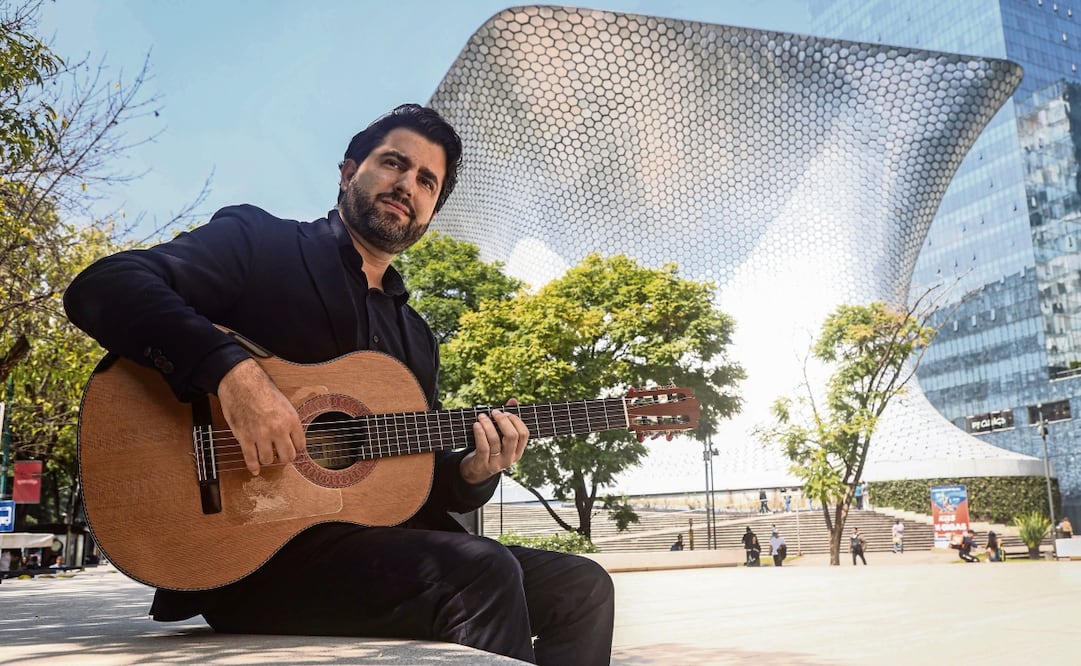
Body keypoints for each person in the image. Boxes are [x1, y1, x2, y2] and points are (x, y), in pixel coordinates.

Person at [63, 104, 614, 665]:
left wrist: (474, 471)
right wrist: (234, 375)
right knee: (481, 572)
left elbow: (416, 477)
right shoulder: (262, 244)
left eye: (427, 181)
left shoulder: (417, 338)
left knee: (583, 587)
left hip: (376, 551)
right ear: (349, 172)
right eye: (394, 164)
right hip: (251, 556)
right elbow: (105, 286)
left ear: (431, 211)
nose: (407, 186)